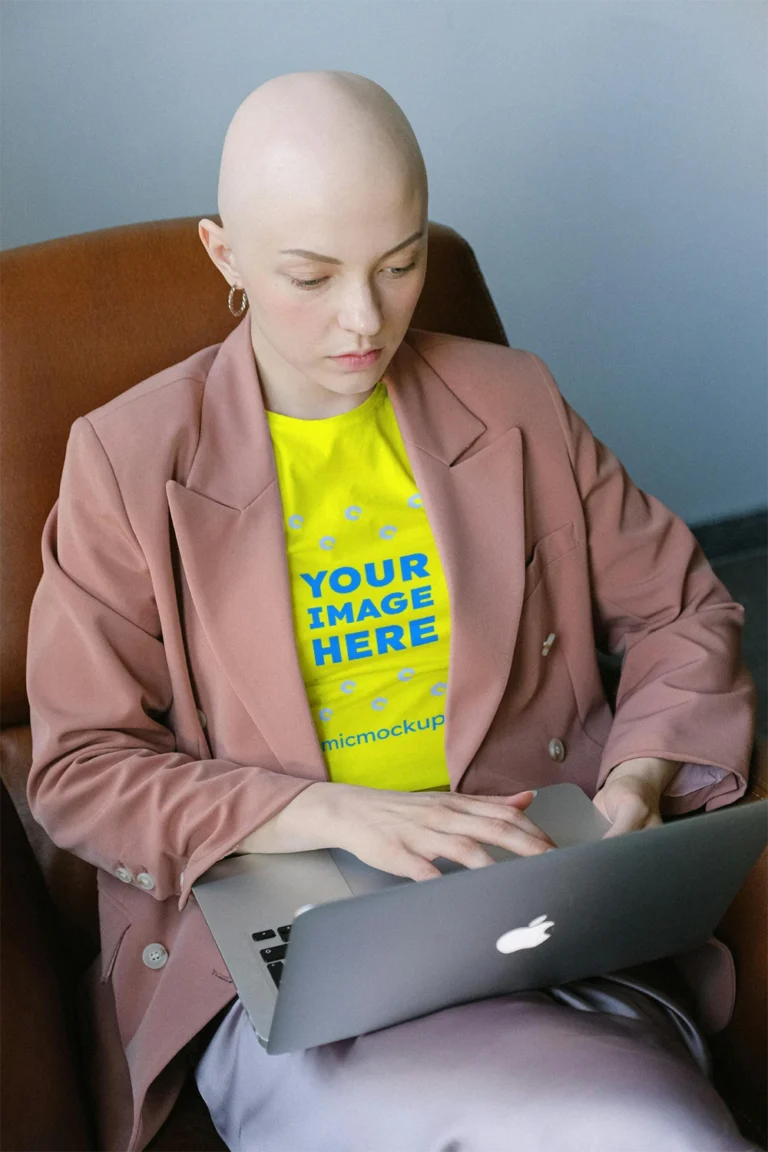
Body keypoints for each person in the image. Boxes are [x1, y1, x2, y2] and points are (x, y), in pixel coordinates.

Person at [25, 70, 757, 1152]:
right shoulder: (128, 461)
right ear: (224, 255)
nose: (364, 321)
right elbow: (79, 768)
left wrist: (637, 781)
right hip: (293, 943)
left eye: (401, 262)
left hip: (537, 908)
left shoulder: (515, 402)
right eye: (311, 277)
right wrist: (334, 813)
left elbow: (684, 614)